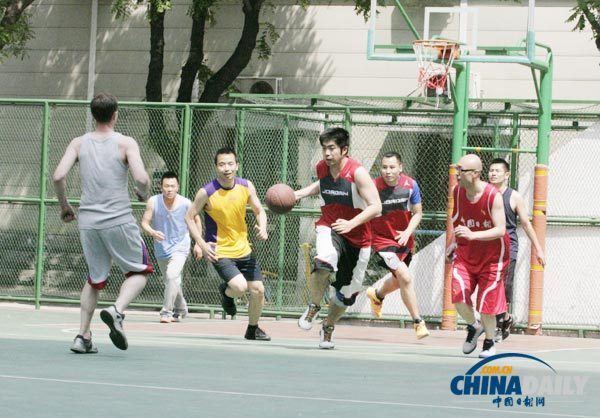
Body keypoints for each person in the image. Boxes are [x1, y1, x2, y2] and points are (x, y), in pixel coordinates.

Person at [53, 93, 153, 353]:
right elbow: (141, 179)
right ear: (115, 114)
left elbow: (58, 176)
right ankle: (117, 310)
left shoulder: (78, 143)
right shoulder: (125, 143)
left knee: (95, 279)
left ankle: (82, 336)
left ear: (92, 114)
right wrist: (144, 193)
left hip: (88, 222)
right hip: (118, 219)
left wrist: (65, 206)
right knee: (140, 271)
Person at [294, 127, 381, 349]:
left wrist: (352, 223)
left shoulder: (357, 173)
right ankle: (314, 305)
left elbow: (376, 207)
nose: (327, 153)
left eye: (332, 148)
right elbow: (323, 185)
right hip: (329, 226)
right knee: (324, 260)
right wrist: (300, 193)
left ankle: (328, 325)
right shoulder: (322, 167)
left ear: (345, 150)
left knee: (347, 295)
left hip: (358, 237)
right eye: (324, 148)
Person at [185, 147, 271, 341]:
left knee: (258, 290)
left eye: (230, 164)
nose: (227, 168)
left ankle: (253, 329)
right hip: (219, 250)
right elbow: (190, 217)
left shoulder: (246, 186)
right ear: (216, 167)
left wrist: (263, 227)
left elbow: (259, 211)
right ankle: (226, 291)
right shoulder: (206, 192)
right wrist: (200, 243)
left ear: (236, 165)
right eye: (222, 164)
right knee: (240, 288)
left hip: (244, 249)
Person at [447, 153, 509, 358]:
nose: (456, 174)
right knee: (458, 297)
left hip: (493, 258)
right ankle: (474, 327)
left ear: (474, 174)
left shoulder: (492, 196)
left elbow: (501, 230)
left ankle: (489, 342)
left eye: (460, 170)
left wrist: (473, 235)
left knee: (486, 306)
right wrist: (453, 243)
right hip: (466, 254)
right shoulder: (457, 192)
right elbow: (458, 221)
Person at [366, 152, 429, 339]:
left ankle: (377, 294)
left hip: (404, 240)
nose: (387, 171)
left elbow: (417, 213)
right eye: (384, 167)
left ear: (400, 167)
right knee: (405, 278)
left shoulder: (411, 185)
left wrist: (408, 232)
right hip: (382, 241)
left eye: (392, 167)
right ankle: (418, 322)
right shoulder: (373, 187)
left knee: (399, 279)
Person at [488, 158, 546, 341]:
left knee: (503, 286)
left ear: (506, 175)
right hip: (487, 248)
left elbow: (527, 225)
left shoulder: (514, 197)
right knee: (489, 287)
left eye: (497, 170)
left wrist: (538, 249)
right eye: (490, 170)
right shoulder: (484, 194)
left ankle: (500, 323)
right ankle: (504, 319)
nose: (493, 173)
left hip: (508, 248)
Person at [141, 171, 201, 323]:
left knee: (172, 275)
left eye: (172, 186)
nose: (169, 189)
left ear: (177, 187)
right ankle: (181, 308)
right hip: (161, 248)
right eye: (166, 186)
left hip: (181, 246)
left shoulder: (186, 203)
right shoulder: (153, 202)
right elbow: (144, 223)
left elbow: (197, 221)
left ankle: (166, 312)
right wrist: (153, 232)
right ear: (161, 187)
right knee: (171, 280)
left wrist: (199, 244)